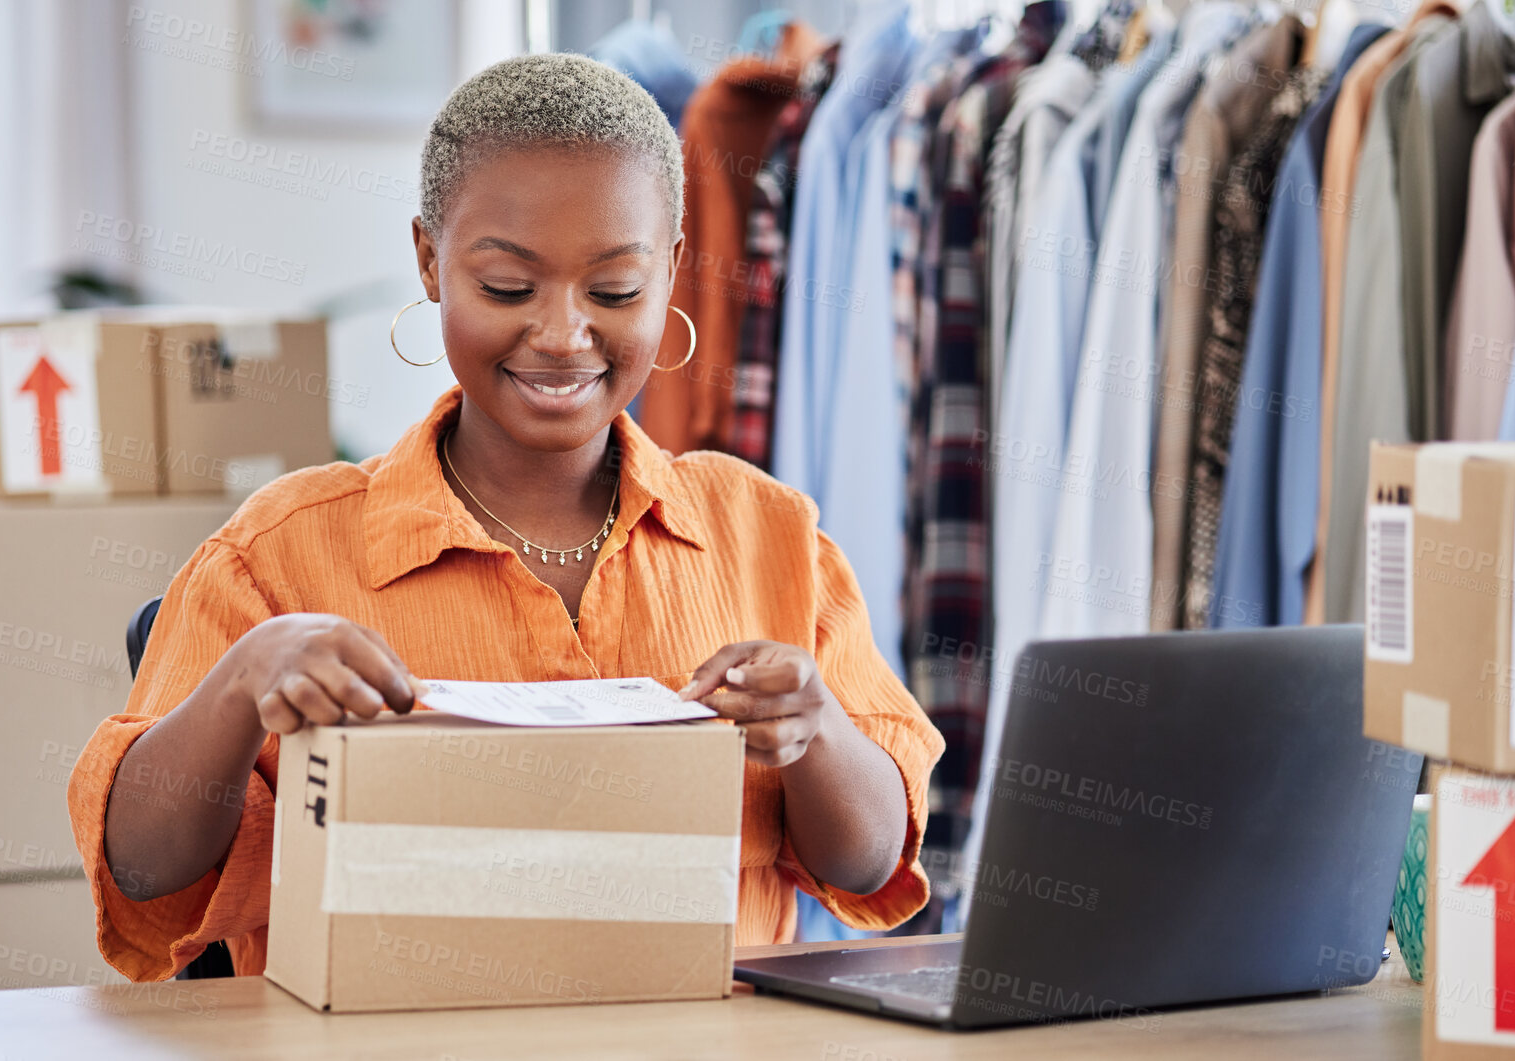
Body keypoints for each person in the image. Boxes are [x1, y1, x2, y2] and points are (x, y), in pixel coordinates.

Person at [67, 53, 943, 982]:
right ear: (429, 260)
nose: (564, 335)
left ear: (674, 271)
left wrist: (817, 731)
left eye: (614, 291)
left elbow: (869, 862)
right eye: (509, 288)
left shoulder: (768, 534)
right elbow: (141, 872)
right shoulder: (278, 553)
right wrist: (241, 683)